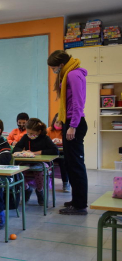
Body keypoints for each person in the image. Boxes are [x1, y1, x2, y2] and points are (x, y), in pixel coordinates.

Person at [48, 50, 88, 215]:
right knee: (71, 165)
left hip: (75, 124)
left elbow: (78, 102)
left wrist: (72, 125)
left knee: (76, 165)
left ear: (61, 64)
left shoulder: (72, 75)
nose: (53, 71)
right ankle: (76, 200)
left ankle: (79, 206)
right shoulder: (70, 74)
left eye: (54, 68)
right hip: (70, 122)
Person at [12, 118, 59, 206]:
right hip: (28, 161)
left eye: (32, 133)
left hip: (41, 163)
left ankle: (40, 191)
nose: (30, 135)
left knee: (38, 170)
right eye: (28, 133)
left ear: (39, 132)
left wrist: (37, 153)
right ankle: (27, 189)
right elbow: (16, 148)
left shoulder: (45, 138)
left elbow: (55, 150)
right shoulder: (26, 137)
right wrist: (22, 152)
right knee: (17, 171)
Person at [47, 113, 70, 192]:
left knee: (64, 162)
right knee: (46, 163)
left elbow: (68, 142)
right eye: (56, 122)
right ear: (53, 121)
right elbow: (44, 140)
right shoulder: (48, 130)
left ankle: (65, 183)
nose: (58, 124)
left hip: (61, 153)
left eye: (60, 123)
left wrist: (60, 140)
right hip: (51, 153)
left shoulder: (66, 131)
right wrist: (51, 141)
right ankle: (46, 182)